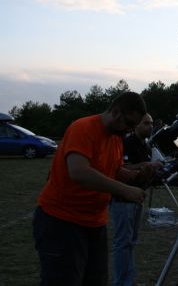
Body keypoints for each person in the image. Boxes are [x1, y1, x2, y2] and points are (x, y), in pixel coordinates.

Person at [33, 92, 147, 286]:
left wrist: (133, 175)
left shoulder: (116, 137)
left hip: (94, 223)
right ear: (116, 112)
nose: (130, 130)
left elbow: (113, 168)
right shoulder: (83, 128)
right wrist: (124, 190)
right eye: (129, 124)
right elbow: (79, 172)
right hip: (62, 221)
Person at [110, 113, 162, 286]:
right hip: (123, 200)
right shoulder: (127, 143)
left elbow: (142, 172)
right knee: (122, 244)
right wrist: (146, 166)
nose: (150, 126)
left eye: (151, 123)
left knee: (130, 243)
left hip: (137, 198)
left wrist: (152, 171)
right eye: (146, 123)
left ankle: (128, 280)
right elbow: (120, 169)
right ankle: (121, 282)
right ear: (136, 125)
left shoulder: (145, 145)